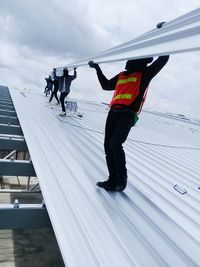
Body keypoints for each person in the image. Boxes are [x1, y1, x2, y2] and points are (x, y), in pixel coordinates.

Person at [88, 55, 169, 191]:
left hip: (128, 113)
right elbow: (106, 85)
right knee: (108, 147)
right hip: (113, 112)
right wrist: (97, 69)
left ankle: (122, 179)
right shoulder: (122, 75)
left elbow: (163, 59)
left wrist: (163, 38)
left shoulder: (144, 74)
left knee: (115, 144)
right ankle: (112, 179)